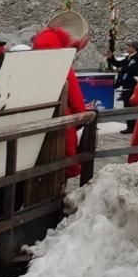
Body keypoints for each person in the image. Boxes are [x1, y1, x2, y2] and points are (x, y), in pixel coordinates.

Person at [31, 17, 93, 176]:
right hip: (61, 123)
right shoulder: (61, 63)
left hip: (35, 122)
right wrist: (82, 115)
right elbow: (75, 97)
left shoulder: (32, 60)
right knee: (60, 166)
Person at [110, 41, 138, 131]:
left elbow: (132, 70)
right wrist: (111, 58)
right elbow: (118, 64)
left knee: (131, 105)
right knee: (127, 105)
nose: (127, 48)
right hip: (125, 85)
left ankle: (132, 127)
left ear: (134, 48)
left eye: (129, 47)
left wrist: (123, 69)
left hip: (132, 85)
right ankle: (130, 126)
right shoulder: (128, 58)